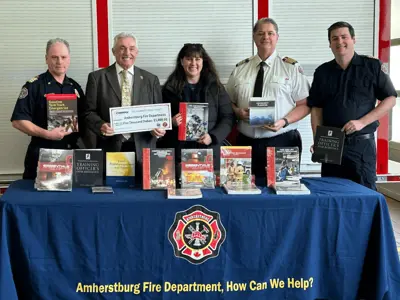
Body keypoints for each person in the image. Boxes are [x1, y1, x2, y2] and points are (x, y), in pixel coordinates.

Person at [307, 21, 397, 190]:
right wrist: (317, 139)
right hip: (331, 143)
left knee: (364, 193)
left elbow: (390, 98)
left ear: (353, 39)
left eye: (344, 37)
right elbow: (316, 108)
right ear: (330, 44)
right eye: (334, 38)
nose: (339, 42)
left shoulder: (372, 66)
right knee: (332, 193)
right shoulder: (322, 72)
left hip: (361, 145)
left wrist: (362, 122)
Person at [226, 18, 311, 179]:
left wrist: (284, 121)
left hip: (282, 141)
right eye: (261, 33)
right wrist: (237, 111)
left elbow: (305, 104)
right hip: (245, 143)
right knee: (241, 191)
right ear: (254, 37)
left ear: (277, 37)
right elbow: (227, 102)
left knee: (283, 192)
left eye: (270, 33)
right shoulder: (240, 69)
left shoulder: (291, 68)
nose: (266, 37)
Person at [83, 32, 165, 181]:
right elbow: (88, 112)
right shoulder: (97, 78)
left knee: (143, 197)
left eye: (131, 48)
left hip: (143, 148)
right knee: (114, 197)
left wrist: (158, 129)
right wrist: (101, 125)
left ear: (137, 52)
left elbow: (158, 115)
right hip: (111, 147)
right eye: (122, 48)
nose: (127, 53)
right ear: (113, 51)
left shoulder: (151, 80)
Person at [10, 38, 87, 180]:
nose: (59, 61)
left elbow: (86, 118)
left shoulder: (75, 87)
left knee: (71, 200)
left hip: (72, 155)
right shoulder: (34, 86)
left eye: (63, 57)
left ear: (69, 59)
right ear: (46, 59)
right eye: (54, 57)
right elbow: (18, 121)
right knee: (39, 200)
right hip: (42, 155)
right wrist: (47, 134)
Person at [160, 43, 235, 183]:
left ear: (203, 62)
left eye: (197, 59)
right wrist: (171, 121)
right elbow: (159, 121)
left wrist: (213, 137)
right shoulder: (168, 89)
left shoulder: (216, 88)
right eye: (189, 59)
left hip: (209, 151)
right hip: (178, 154)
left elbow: (228, 117)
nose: (193, 63)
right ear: (182, 61)